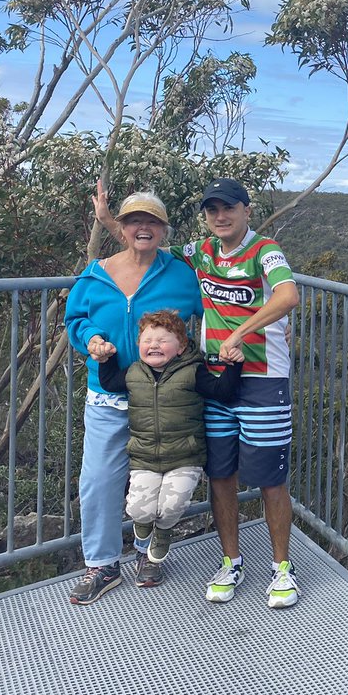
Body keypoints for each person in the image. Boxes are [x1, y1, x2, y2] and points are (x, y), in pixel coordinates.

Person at [96, 177, 301, 608]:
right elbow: (144, 240)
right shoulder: (201, 252)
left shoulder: (266, 251)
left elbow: (287, 295)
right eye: (212, 210)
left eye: (229, 208)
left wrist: (241, 333)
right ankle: (231, 561)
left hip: (263, 378)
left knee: (269, 478)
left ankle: (282, 568)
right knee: (221, 474)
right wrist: (109, 220)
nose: (220, 216)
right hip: (215, 376)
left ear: (247, 210)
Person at [64, 192, 202, 605]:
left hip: (164, 399)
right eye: (133, 222)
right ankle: (103, 564)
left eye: (153, 223)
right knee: (99, 481)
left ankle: (148, 554)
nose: (143, 228)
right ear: (121, 230)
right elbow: (76, 319)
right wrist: (92, 341)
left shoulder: (182, 274)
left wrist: (271, 326)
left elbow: (218, 308)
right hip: (109, 395)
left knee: (160, 480)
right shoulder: (95, 274)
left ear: (164, 231)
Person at [92, 309, 245, 588]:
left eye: (163, 340)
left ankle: (163, 531)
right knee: (138, 509)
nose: (154, 345)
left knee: (172, 505)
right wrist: (107, 358)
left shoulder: (193, 372)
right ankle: (147, 525)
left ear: (181, 346)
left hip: (185, 458)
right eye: (147, 340)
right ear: (138, 346)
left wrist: (234, 366)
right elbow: (108, 382)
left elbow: (224, 391)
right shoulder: (133, 374)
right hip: (144, 458)